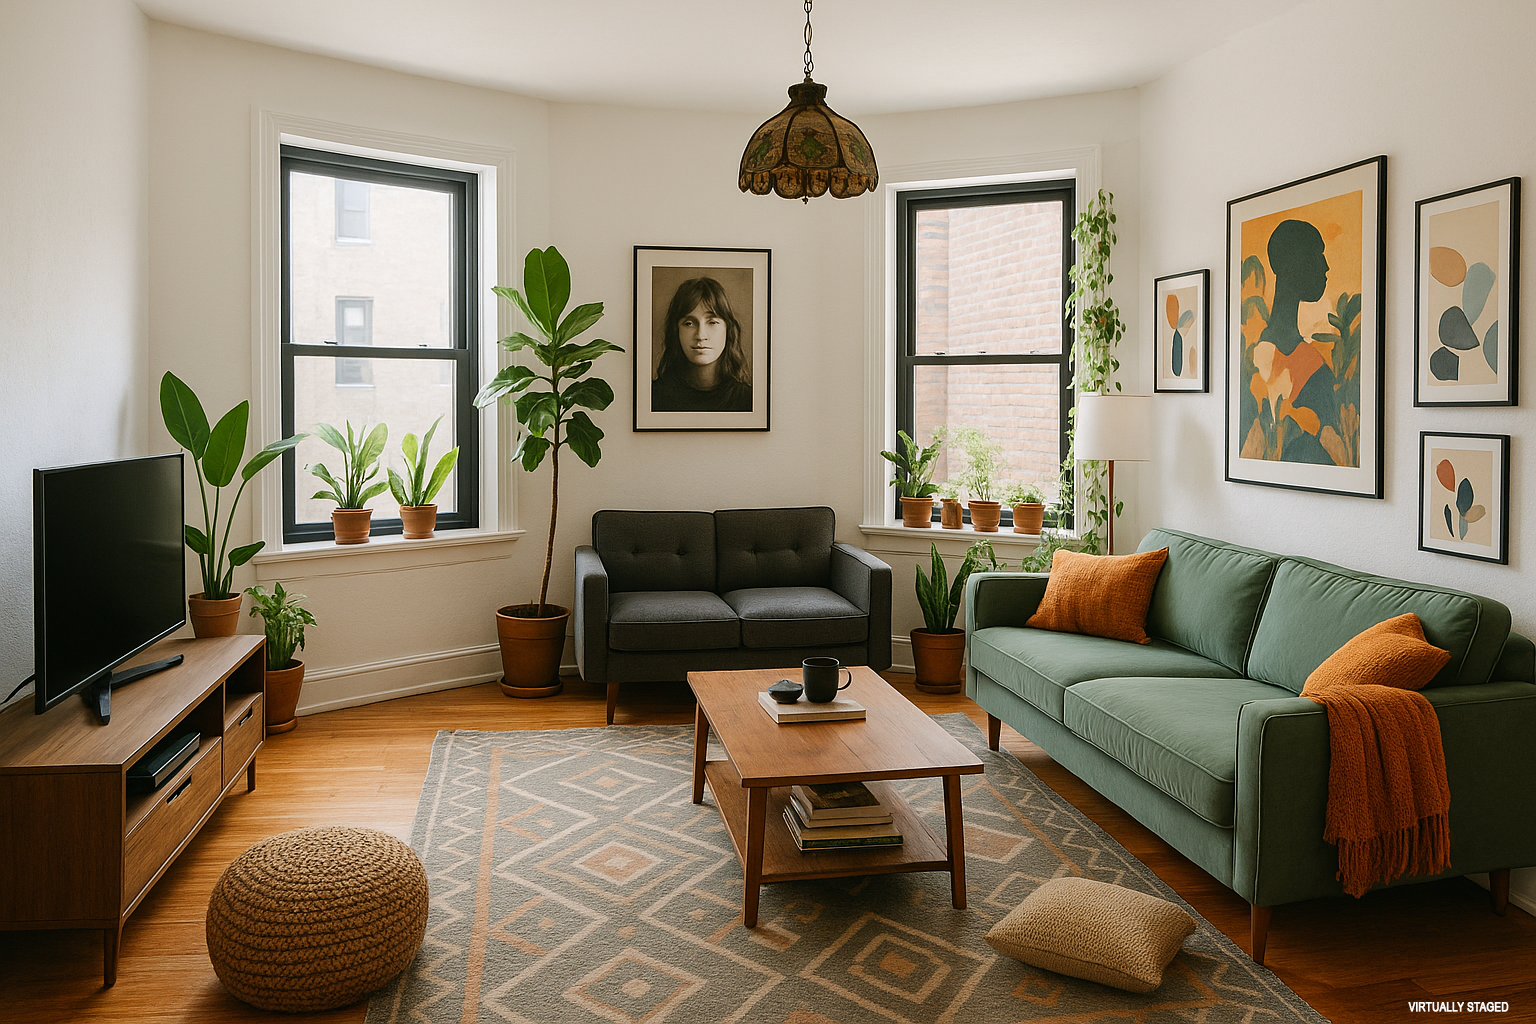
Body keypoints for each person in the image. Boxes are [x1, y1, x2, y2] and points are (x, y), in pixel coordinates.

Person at [651, 276, 752, 412]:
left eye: (712, 322)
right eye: (689, 323)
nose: (700, 336)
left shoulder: (748, 400)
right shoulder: (653, 397)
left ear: (728, 330)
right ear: (676, 331)